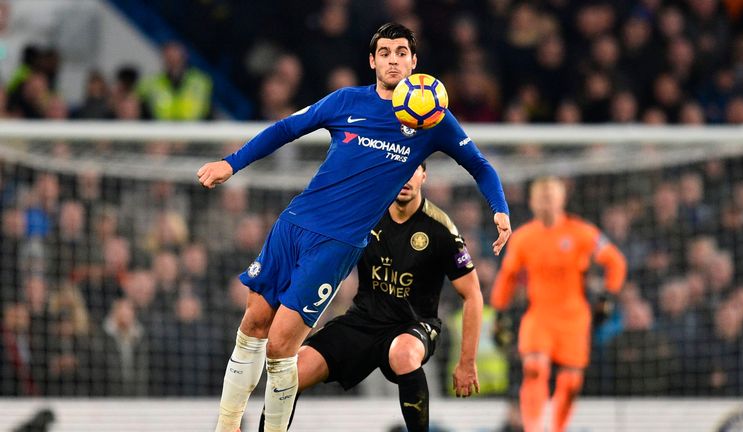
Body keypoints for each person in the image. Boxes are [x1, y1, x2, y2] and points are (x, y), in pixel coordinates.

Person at [196, 22, 511, 432]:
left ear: (414, 62)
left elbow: (481, 166)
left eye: (401, 52)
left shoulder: (433, 120)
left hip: (336, 245)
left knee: (279, 348)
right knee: (253, 322)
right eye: (385, 52)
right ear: (372, 61)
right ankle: (226, 426)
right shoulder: (346, 101)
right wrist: (230, 163)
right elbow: (285, 129)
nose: (393, 59)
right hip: (294, 223)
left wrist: (499, 208)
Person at [255, 163, 482, 432]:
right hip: (363, 321)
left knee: (404, 354)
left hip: (414, 325)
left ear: (424, 175)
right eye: (401, 169)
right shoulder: (365, 214)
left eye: (413, 170)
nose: (406, 179)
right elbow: (327, 262)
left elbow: (472, 295)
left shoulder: (441, 229)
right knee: (290, 375)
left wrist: (467, 362)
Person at [490, 177, 626, 432]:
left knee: (571, 383)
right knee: (533, 368)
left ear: (562, 200)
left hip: (574, 317)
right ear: (531, 202)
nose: (546, 203)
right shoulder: (522, 238)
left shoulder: (581, 232)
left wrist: (608, 296)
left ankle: (557, 429)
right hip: (539, 315)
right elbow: (507, 278)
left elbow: (616, 262)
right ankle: (533, 428)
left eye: (550, 197)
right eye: (541, 198)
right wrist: (499, 313)